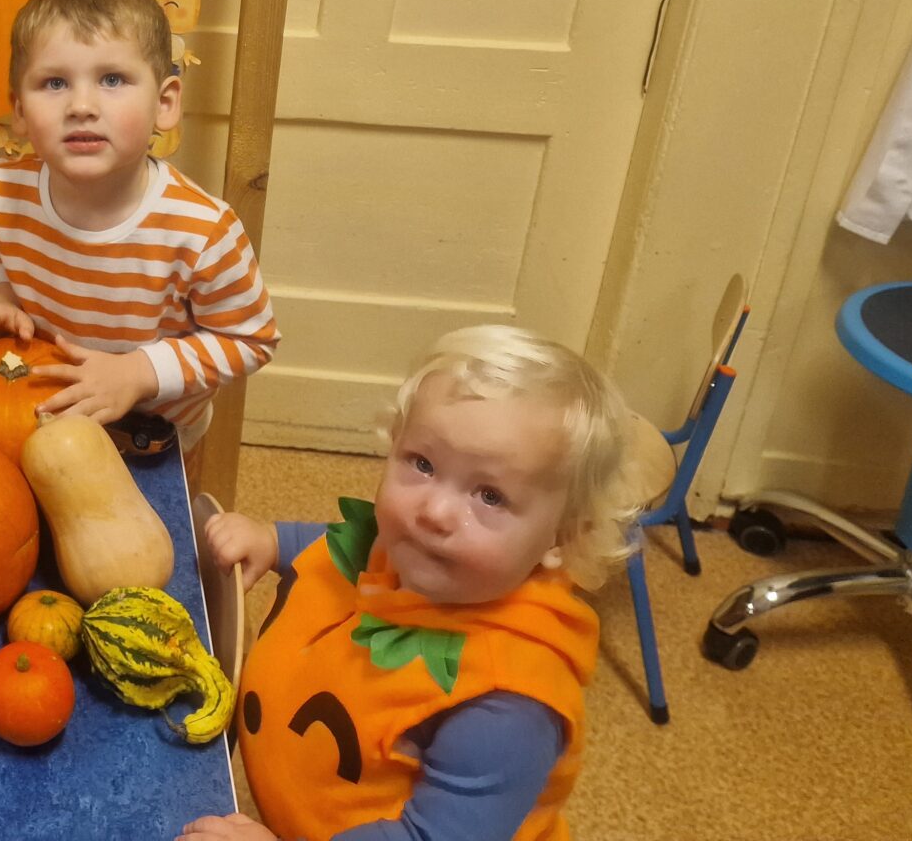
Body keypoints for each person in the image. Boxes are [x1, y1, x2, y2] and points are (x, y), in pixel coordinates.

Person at [182, 324, 636, 841]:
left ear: (563, 537)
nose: (434, 511)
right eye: (423, 463)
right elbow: (351, 546)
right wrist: (273, 540)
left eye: (490, 496)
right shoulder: (410, 548)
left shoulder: (506, 708)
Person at [0, 0, 276, 439]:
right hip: (42, 408)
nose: (81, 105)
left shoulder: (203, 231)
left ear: (164, 104)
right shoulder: (1, 191)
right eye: (55, 83)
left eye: (112, 79)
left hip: (153, 431)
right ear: (19, 111)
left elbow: (252, 338)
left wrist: (138, 373)